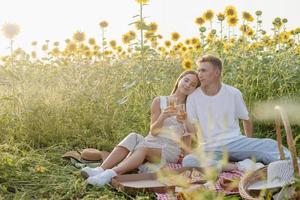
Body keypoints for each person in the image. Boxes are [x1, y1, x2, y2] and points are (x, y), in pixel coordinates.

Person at [81, 70, 200, 186]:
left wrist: (185, 120)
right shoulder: (159, 101)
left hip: (169, 149)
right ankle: (100, 170)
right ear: (179, 80)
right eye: (186, 80)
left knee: (144, 148)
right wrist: (162, 117)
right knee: (134, 136)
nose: (188, 85)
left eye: (193, 84)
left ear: (195, 90)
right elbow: (153, 132)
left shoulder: (191, 108)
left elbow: (191, 134)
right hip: (152, 141)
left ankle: (108, 175)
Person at [183, 55, 291, 169]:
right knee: (189, 160)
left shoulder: (233, 93)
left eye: (203, 70)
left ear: (217, 72)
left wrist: (249, 142)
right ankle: (239, 166)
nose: (199, 74)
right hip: (210, 147)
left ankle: (295, 167)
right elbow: (193, 130)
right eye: (198, 70)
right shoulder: (193, 97)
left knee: (270, 145)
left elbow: (246, 119)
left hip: (235, 142)